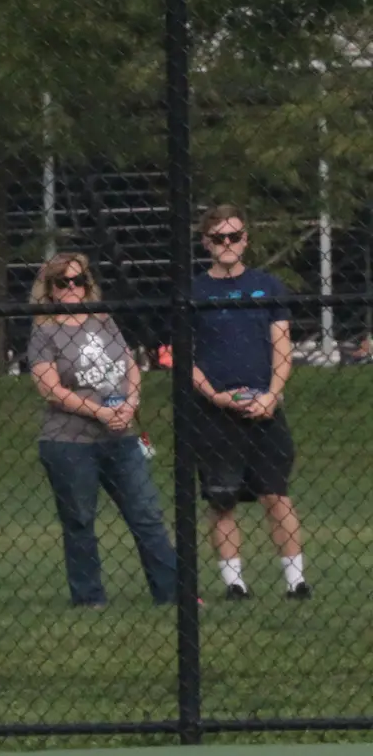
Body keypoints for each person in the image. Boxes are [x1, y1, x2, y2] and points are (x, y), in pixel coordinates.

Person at [26, 252, 177, 607]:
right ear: (48, 289)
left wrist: (130, 404)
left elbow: (130, 366)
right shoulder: (44, 331)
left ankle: (172, 594)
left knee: (147, 515)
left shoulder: (104, 320)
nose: (72, 288)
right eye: (62, 282)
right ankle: (89, 598)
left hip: (121, 435)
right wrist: (98, 411)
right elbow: (50, 389)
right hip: (70, 441)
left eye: (78, 280)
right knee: (79, 520)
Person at [190, 206, 307, 600]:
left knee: (277, 495)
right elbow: (181, 356)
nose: (227, 244)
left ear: (246, 240)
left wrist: (272, 395)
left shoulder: (269, 286)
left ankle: (296, 581)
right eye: (219, 237)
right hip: (215, 410)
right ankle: (234, 584)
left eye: (234, 236)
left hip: (265, 407)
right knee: (222, 499)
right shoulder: (194, 291)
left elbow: (282, 347)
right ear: (206, 242)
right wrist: (215, 395)